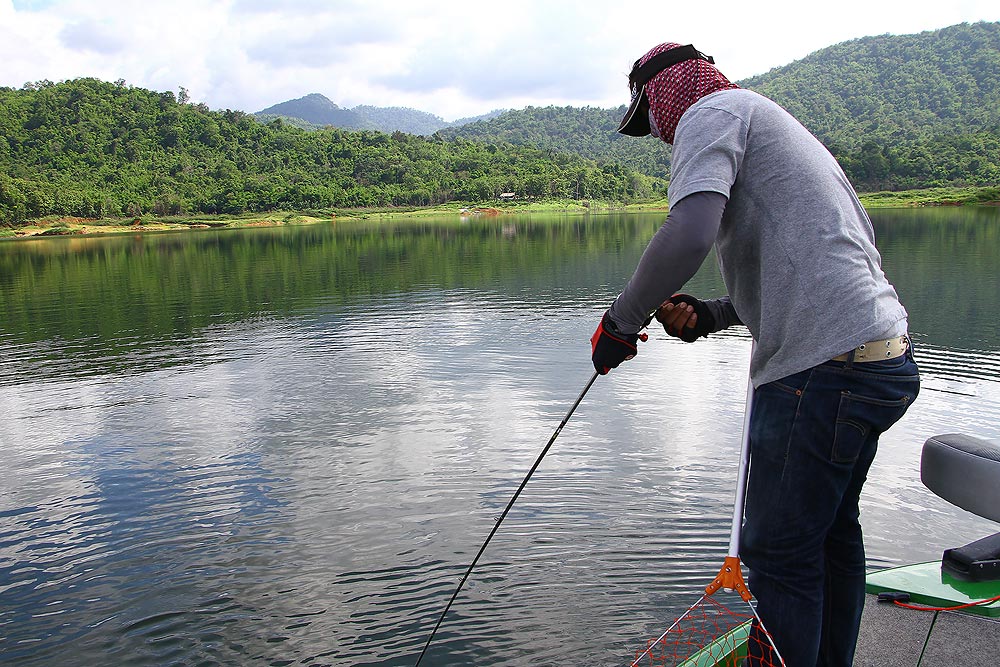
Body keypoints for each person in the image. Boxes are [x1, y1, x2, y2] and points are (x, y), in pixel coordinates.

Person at [589, 43, 920, 666]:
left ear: (663, 99)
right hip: (881, 359)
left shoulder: (708, 113)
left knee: (777, 559)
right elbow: (821, 267)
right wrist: (713, 314)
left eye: (651, 122)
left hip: (821, 376)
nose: (661, 138)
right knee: (830, 541)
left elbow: (688, 232)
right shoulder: (775, 124)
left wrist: (620, 322)